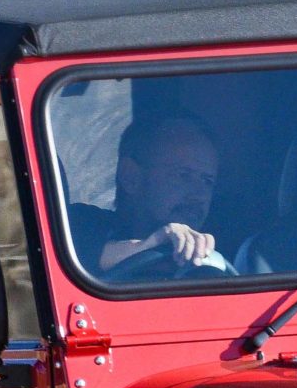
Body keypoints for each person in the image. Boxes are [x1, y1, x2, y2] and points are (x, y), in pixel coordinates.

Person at [67, 113, 227, 276]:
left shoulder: (220, 252)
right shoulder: (80, 224)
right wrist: (152, 244)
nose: (198, 195)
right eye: (183, 175)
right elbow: (75, 259)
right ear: (130, 177)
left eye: (207, 181)